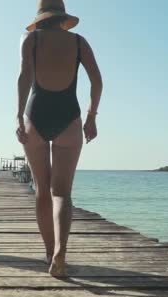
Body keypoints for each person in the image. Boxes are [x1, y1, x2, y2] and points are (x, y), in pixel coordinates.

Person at [15, 0, 103, 277]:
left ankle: (48, 251)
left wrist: (18, 115)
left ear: (41, 17)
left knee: (42, 190)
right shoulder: (78, 42)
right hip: (69, 118)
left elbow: (25, 77)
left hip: (35, 116)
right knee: (62, 192)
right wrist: (91, 117)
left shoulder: (30, 39)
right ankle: (60, 254)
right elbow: (97, 81)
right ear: (62, 16)